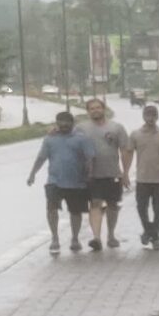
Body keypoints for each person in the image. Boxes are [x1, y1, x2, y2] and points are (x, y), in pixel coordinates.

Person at [25, 111, 94, 255]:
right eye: (60, 122)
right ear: (56, 123)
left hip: (77, 182)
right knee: (51, 208)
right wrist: (32, 174)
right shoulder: (50, 139)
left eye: (67, 122)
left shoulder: (82, 139)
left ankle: (75, 238)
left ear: (72, 123)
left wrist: (90, 175)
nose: (63, 125)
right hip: (54, 181)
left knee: (75, 212)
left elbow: (90, 158)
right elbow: (41, 157)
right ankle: (54, 238)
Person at [74, 98, 131, 254]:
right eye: (92, 108)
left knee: (113, 205)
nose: (95, 110)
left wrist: (125, 172)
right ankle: (96, 237)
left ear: (103, 108)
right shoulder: (81, 128)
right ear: (88, 111)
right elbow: (71, 143)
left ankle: (111, 235)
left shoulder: (116, 127)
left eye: (98, 107)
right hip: (92, 175)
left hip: (112, 172)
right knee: (95, 203)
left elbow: (124, 150)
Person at [128, 103, 159, 248]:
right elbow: (128, 153)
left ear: (157, 117)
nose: (150, 118)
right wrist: (125, 173)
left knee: (158, 209)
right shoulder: (135, 134)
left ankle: (155, 237)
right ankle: (149, 231)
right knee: (141, 207)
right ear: (143, 116)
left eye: (153, 115)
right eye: (148, 115)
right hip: (142, 177)